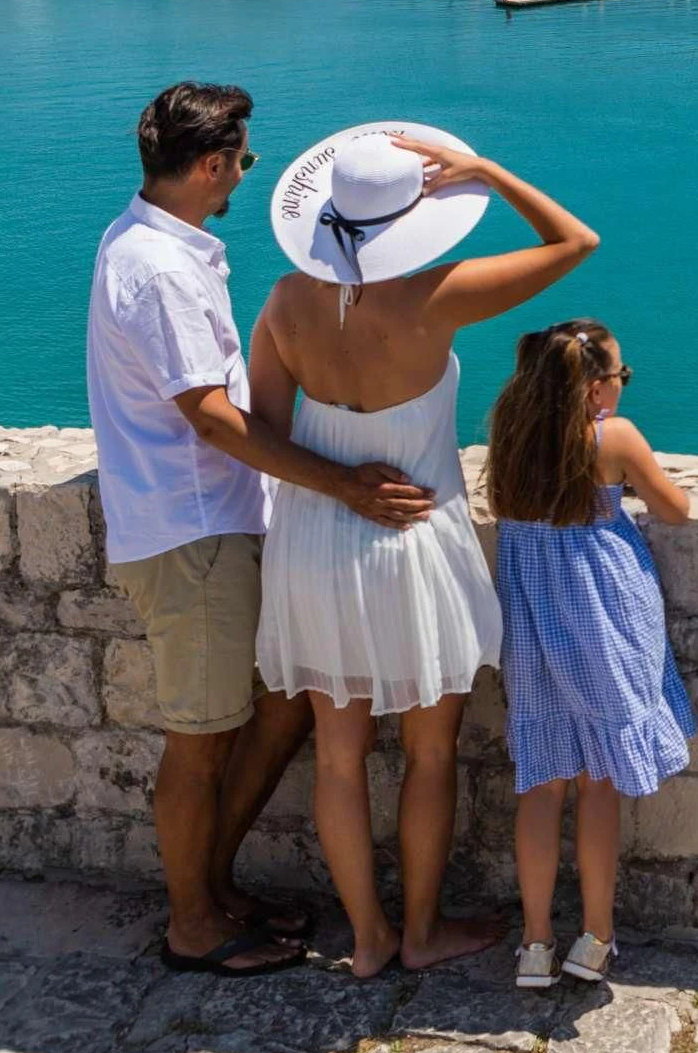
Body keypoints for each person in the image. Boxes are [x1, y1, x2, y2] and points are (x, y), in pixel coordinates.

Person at [87, 83, 435, 978]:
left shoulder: (149, 245)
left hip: (215, 523)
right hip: (192, 532)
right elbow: (210, 417)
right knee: (200, 742)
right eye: (242, 160)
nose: (246, 172)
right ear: (211, 166)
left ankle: (214, 890)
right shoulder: (159, 270)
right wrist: (344, 485)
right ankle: (192, 926)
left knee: (281, 709)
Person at [249, 123, 598, 978]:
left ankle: (366, 940)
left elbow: (261, 431)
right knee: (430, 751)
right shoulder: (438, 294)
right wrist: (484, 168)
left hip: (313, 540)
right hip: (412, 544)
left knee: (336, 753)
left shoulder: (285, 302)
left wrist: (336, 479)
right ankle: (420, 932)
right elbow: (574, 240)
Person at [483, 320, 695, 990]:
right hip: (602, 623)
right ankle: (596, 938)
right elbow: (676, 509)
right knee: (599, 780)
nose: (623, 387)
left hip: (533, 626)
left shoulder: (512, 438)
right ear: (596, 387)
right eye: (621, 376)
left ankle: (535, 943)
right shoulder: (612, 438)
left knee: (542, 784)